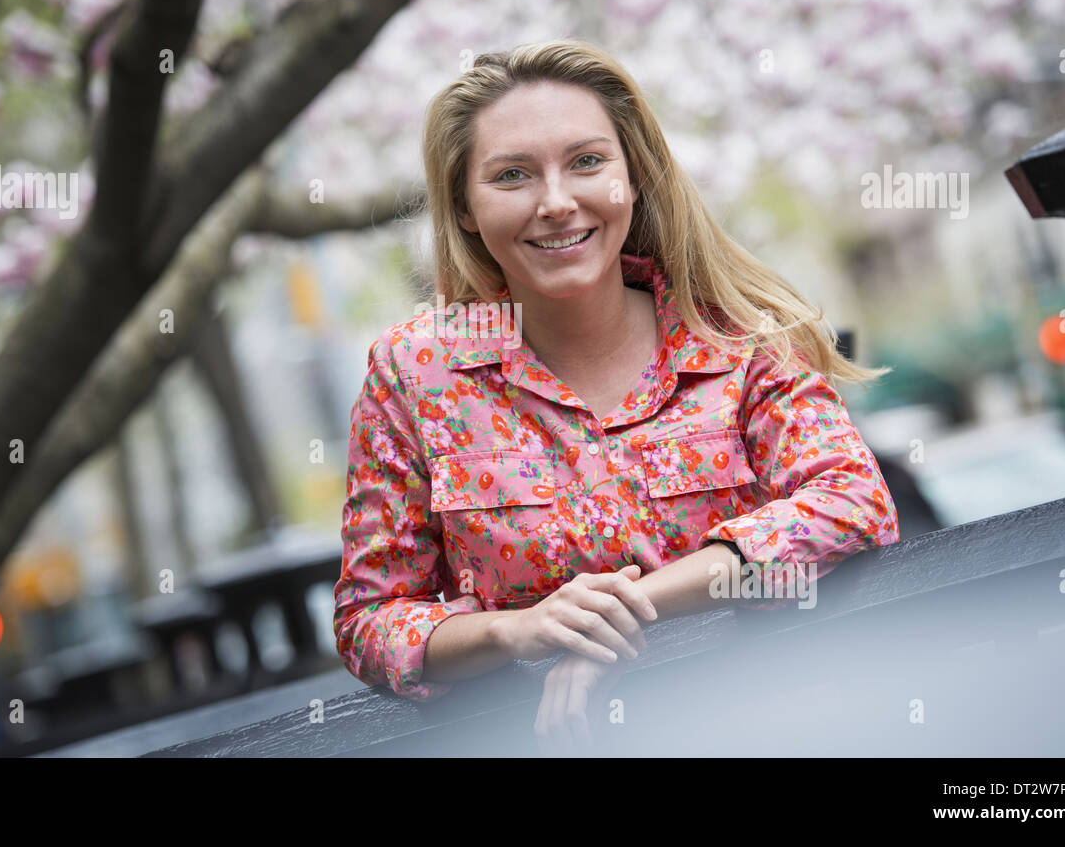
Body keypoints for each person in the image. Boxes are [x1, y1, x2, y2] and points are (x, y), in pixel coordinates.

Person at [333, 38, 900, 752]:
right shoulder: (414, 374)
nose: (556, 202)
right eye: (512, 175)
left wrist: (625, 612)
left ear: (632, 178)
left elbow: (852, 501)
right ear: (466, 208)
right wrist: (519, 629)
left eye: (587, 161)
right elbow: (370, 618)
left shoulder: (734, 336)